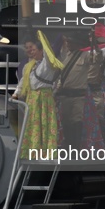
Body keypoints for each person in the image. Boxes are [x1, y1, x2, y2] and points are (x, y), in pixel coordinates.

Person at [13, 31, 62, 159]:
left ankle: (46, 152)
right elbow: (23, 82)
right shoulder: (28, 66)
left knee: (45, 124)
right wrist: (15, 95)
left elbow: (48, 52)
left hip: (44, 98)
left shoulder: (48, 65)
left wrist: (42, 38)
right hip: (32, 98)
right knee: (33, 125)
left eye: (34, 49)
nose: (32, 52)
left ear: (41, 50)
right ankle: (33, 151)